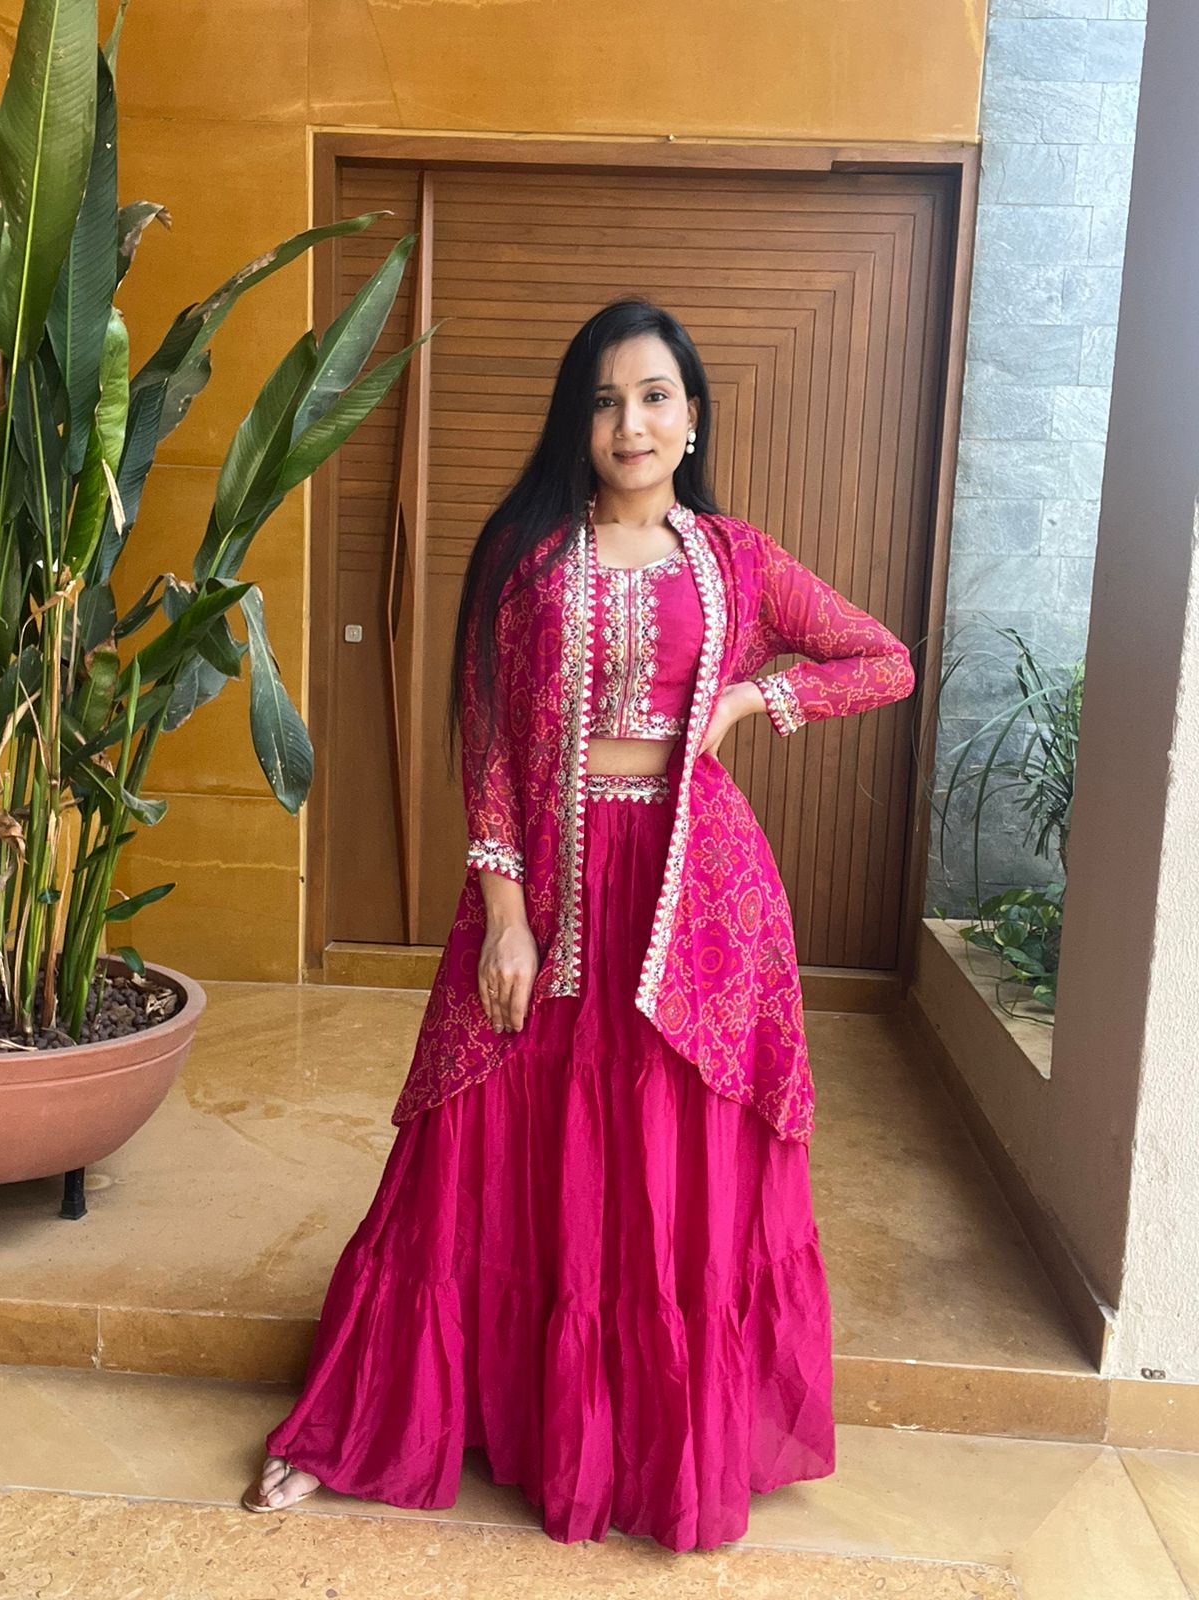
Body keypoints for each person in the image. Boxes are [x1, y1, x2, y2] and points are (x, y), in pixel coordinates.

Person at [243, 298, 916, 1551]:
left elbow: (883, 660)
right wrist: (504, 915)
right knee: (474, 1143)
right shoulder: (528, 556)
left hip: (694, 898)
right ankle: (365, 1421)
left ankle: (655, 1442)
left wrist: (753, 701)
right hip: (547, 886)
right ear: (578, 420)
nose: (631, 422)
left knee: (664, 1161)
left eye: (655, 396)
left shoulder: (738, 559)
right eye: (606, 400)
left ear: (692, 416)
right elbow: (489, 745)